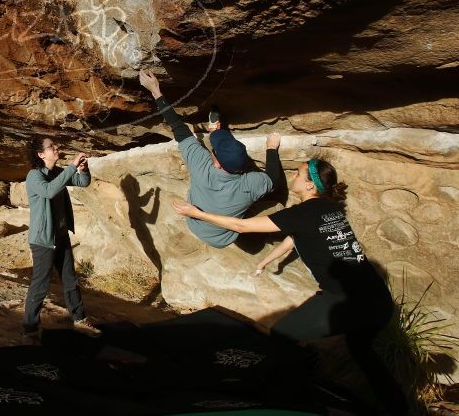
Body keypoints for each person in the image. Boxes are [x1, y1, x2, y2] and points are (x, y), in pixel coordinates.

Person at [172, 158, 407, 414]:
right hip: (378, 300)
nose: (294, 175)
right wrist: (266, 261)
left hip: (348, 302)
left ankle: (296, 399)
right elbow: (293, 239)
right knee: (361, 350)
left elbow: (242, 226)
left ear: (309, 185)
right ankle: (400, 408)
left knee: (282, 335)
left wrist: (196, 213)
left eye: (299, 173)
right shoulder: (329, 210)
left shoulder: (303, 213)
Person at [138, 70, 283, 248]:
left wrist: (155, 91)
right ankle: (215, 130)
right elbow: (273, 179)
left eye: (213, 151)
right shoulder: (251, 184)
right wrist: (271, 148)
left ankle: (214, 130)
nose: (211, 152)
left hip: (195, 224)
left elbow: (179, 128)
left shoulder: (201, 168)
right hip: (222, 237)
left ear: (215, 163)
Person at [22, 136, 101, 343]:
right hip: (43, 241)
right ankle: (30, 329)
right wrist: (71, 166)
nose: (56, 148)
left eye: (55, 145)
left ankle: (80, 319)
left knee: (70, 280)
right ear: (41, 154)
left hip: (61, 236)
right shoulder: (34, 175)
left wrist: (83, 169)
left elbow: (83, 182)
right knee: (40, 284)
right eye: (51, 147)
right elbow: (49, 191)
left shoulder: (58, 172)